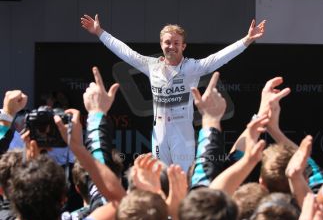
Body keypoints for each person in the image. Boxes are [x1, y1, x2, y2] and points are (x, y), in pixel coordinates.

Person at [80, 14, 266, 171]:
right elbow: (125, 52)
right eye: (167, 42)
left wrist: (247, 39)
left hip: (182, 132)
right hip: (159, 132)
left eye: (176, 43)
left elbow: (219, 58)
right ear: (161, 44)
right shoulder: (151, 65)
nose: (171, 46)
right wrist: (99, 32)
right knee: (161, 178)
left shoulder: (193, 67)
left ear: (183, 46)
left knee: (183, 178)